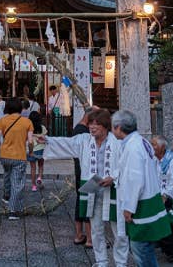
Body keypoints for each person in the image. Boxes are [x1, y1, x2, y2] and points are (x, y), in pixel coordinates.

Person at [41, 108, 129, 267]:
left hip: (114, 189)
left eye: (96, 124)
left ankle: (121, 263)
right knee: (96, 228)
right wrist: (47, 140)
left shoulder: (117, 142)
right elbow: (65, 143)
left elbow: (127, 164)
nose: (92, 127)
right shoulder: (83, 140)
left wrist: (114, 176)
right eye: (90, 124)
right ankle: (101, 261)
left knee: (119, 230)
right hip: (92, 189)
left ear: (105, 126)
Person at [112, 109, 170, 267]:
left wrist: (129, 207)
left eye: (113, 127)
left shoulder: (133, 146)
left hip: (142, 203)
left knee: (141, 248)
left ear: (118, 128)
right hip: (149, 197)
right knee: (144, 248)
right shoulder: (140, 141)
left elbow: (135, 179)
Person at [0, 97, 34, 220]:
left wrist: (0, 146)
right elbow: (31, 142)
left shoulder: (2, 120)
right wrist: (30, 152)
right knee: (17, 183)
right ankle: (13, 211)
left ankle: (6, 196)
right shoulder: (27, 122)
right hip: (19, 156)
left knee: (7, 175)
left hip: (4, 155)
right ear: (20, 108)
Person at [71, 106, 97, 248]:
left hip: (80, 169)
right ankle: (89, 239)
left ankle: (79, 234)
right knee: (88, 200)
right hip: (85, 171)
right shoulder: (83, 132)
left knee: (80, 200)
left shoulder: (78, 129)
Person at [150, 135, 173, 208]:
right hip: (158, 197)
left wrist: (164, 197)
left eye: (153, 145)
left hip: (170, 200)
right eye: (151, 144)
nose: (151, 147)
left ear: (162, 147)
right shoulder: (154, 160)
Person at [27, 111, 47, 192]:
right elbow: (45, 137)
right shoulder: (42, 127)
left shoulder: (29, 127)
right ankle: (39, 177)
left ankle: (33, 186)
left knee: (32, 168)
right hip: (41, 149)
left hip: (32, 149)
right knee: (41, 166)